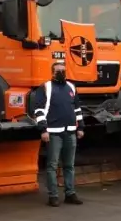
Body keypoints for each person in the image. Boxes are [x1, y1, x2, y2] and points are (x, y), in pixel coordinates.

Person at [33, 61, 84, 207]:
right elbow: (39, 110)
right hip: (53, 133)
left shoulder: (71, 87)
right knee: (52, 166)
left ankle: (70, 193)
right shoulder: (45, 87)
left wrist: (80, 127)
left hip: (70, 132)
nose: (61, 73)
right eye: (58, 70)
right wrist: (43, 129)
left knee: (69, 165)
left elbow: (77, 109)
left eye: (63, 70)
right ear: (52, 72)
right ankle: (53, 196)